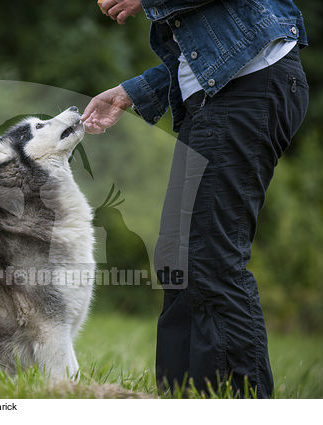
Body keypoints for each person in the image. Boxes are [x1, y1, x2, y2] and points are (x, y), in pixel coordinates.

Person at [82, 0, 309, 398]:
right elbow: (202, 56)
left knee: (209, 259)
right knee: (177, 258)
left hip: (251, 87)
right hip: (216, 98)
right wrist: (130, 92)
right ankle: (180, 399)